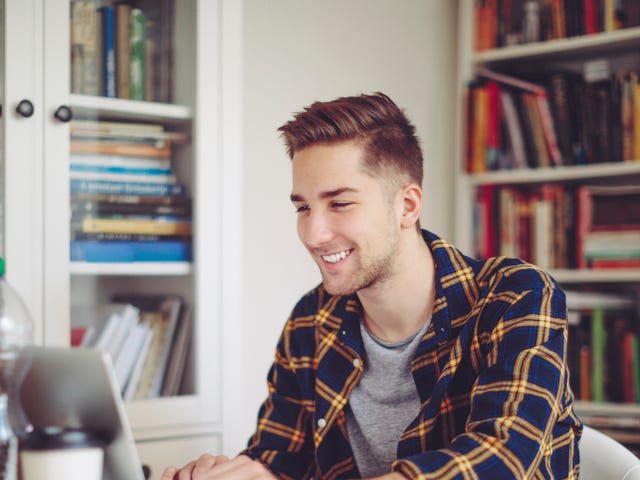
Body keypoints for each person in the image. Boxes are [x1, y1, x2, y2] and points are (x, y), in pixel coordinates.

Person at [162, 92, 582, 480]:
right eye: (304, 208)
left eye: (340, 203)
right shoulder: (312, 317)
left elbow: (503, 458)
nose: (314, 233)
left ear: (407, 205)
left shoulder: (516, 295)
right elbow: (279, 458)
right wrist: (242, 475)